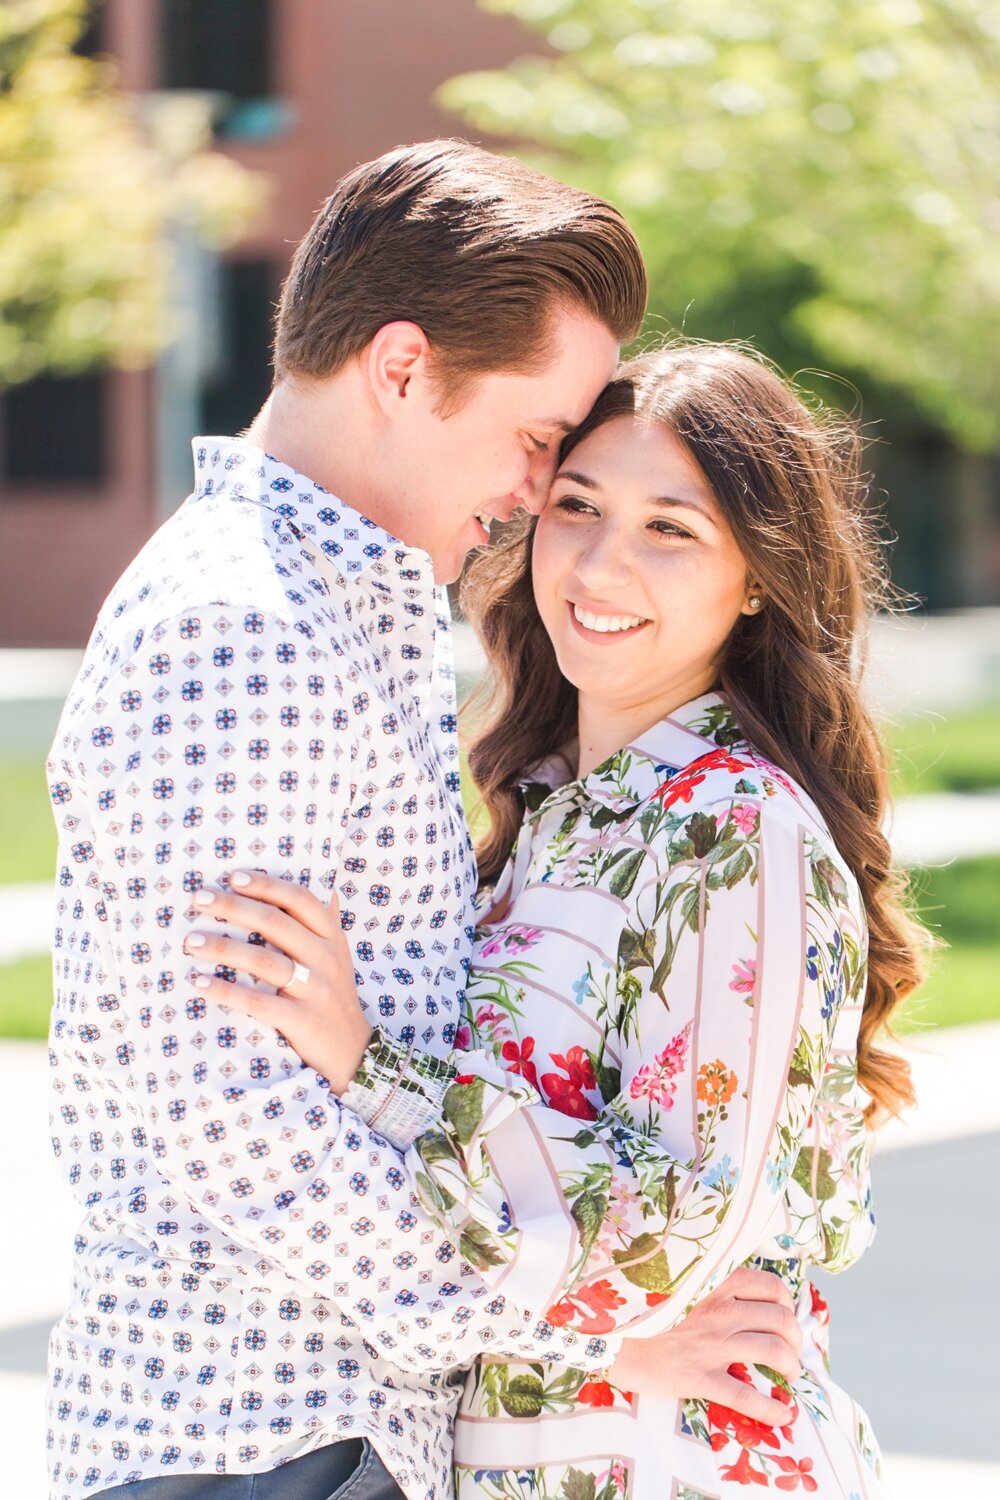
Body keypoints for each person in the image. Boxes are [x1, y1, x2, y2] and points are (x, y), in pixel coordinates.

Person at [44, 146, 797, 1500]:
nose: (530, 491)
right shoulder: (242, 630)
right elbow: (233, 1119)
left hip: (328, 1436)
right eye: (532, 440)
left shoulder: (348, 607)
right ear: (401, 369)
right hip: (253, 1439)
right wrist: (584, 1334)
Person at [191, 343, 928, 1498]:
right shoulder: (541, 815)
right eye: (576, 505)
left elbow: (675, 1236)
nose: (599, 561)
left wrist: (369, 1066)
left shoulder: (737, 833)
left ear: (755, 577)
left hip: (681, 1465)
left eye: (668, 529)